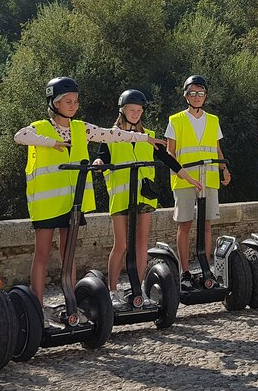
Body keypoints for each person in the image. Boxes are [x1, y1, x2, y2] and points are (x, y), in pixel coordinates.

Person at [14, 77, 166, 310]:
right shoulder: (40, 127)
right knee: (42, 254)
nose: (73, 105)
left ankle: (70, 305)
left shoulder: (81, 128)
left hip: (72, 202)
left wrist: (144, 138)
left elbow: (113, 135)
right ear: (54, 103)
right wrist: (50, 142)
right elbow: (20, 136)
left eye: (75, 101)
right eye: (68, 101)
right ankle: (37, 308)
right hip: (46, 204)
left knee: (69, 255)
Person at [93, 89, 201, 307]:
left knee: (142, 243)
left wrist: (190, 179)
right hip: (121, 197)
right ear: (122, 111)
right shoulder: (111, 136)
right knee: (121, 244)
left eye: (139, 110)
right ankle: (112, 291)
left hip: (144, 197)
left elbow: (169, 160)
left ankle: (138, 289)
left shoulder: (149, 136)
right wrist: (98, 164)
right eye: (132, 110)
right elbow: (101, 157)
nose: (135, 113)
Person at [165, 75, 231, 290]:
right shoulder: (175, 120)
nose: (196, 97)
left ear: (205, 96)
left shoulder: (213, 120)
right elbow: (170, 152)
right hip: (184, 179)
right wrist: (180, 172)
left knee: (207, 224)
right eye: (192, 93)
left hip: (209, 177)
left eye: (200, 93)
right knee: (185, 224)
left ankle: (206, 267)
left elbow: (217, 148)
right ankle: (184, 271)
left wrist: (224, 168)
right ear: (186, 95)